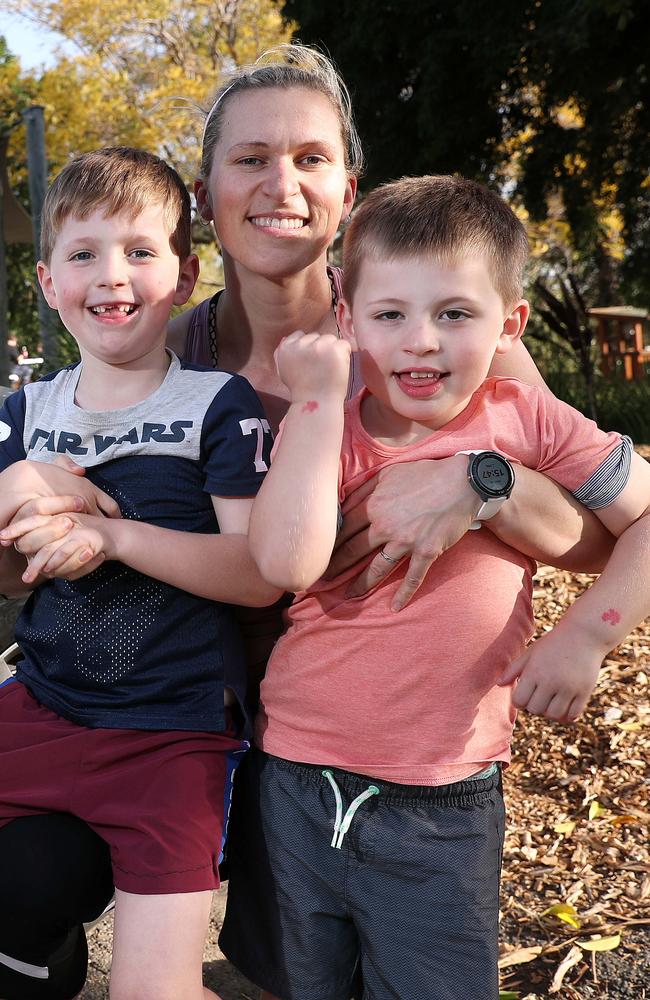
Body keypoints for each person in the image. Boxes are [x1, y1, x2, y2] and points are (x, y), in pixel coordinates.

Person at [0, 44, 614, 998]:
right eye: (250, 159)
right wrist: (34, 509)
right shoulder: (159, 347)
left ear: (349, 188)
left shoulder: (423, 331)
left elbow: (605, 542)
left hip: (375, 743)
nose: (280, 183)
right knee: (35, 885)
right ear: (205, 195)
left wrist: (485, 481)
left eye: (311, 158)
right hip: (172, 715)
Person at [218, 175, 650, 1000]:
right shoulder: (326, 431)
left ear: (509, 325)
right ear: (346, 323)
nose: (420, 341)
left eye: (454, 314)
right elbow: (285, 563)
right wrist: (313, 402)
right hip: (299, 774)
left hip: (442, 793)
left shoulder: (527, 418)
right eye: (389, 316)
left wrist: (589, 634)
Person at [0, 146, 280, 1000]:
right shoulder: (26, 413)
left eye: (140, 250)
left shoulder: (213, 405)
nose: (110, 274)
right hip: (41, 704)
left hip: (172, 734)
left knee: (152, 990)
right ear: (49, 283)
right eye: (84, 254)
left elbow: (256, 574)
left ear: (187, 275)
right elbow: (8, 574)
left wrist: (117, 539)